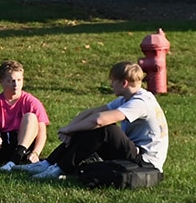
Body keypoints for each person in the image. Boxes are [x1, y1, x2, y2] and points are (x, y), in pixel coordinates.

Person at [27, 62, 168, 180]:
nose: (111, 84)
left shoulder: (141, 102)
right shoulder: (127, 99)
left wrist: (70, 130)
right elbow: (90, 113)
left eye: (113, 81)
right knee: (88, 126)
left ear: (124, 83)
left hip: (145, 161)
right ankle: (48, 163)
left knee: (105, 130)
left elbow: (100, 120)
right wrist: (70, 128)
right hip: (134, 152)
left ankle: (59, 169)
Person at [0, 60, 49, 171]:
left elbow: (42, 132)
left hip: (23, 148)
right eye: (11, 81)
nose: (16, 84)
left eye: (19, 80)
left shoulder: (32, 102)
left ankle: (15, 161)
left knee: (30, 117)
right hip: (2, 147)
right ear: (1, 82)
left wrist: (36, 153)